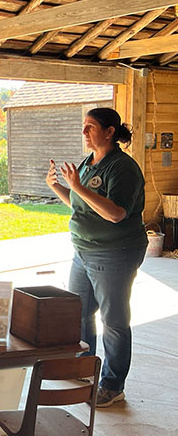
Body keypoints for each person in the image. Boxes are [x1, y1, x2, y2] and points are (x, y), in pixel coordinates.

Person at [45, 107, 147, 408]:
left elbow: (115, 213)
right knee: (78, 312)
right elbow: (81, 205)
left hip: (115, 251)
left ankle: (113, 385)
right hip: (83, 250)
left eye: (90, 126)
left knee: (113, 320)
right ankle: (82, 367)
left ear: (110, 132)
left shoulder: (123, 168)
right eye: (84, 126)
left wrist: (77, 186)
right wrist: (59, 187)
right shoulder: (89, 162)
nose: (84, 132)